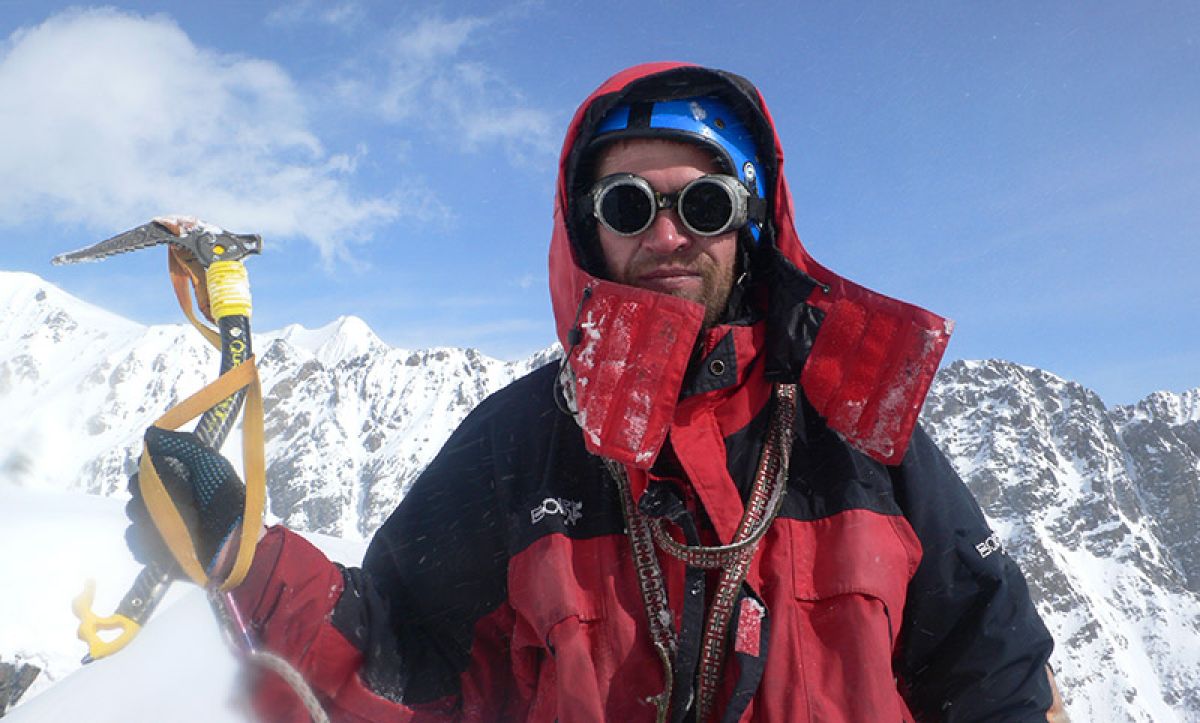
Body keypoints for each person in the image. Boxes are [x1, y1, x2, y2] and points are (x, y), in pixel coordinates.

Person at [128, 62, 1065, 722]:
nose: (668, 235)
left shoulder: (854, 435)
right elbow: (402, 665)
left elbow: (996, 677)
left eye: (704, 204)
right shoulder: (517, 445)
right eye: (628, 204)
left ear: (750, 225)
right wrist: (244, 558)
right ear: (587, 232)